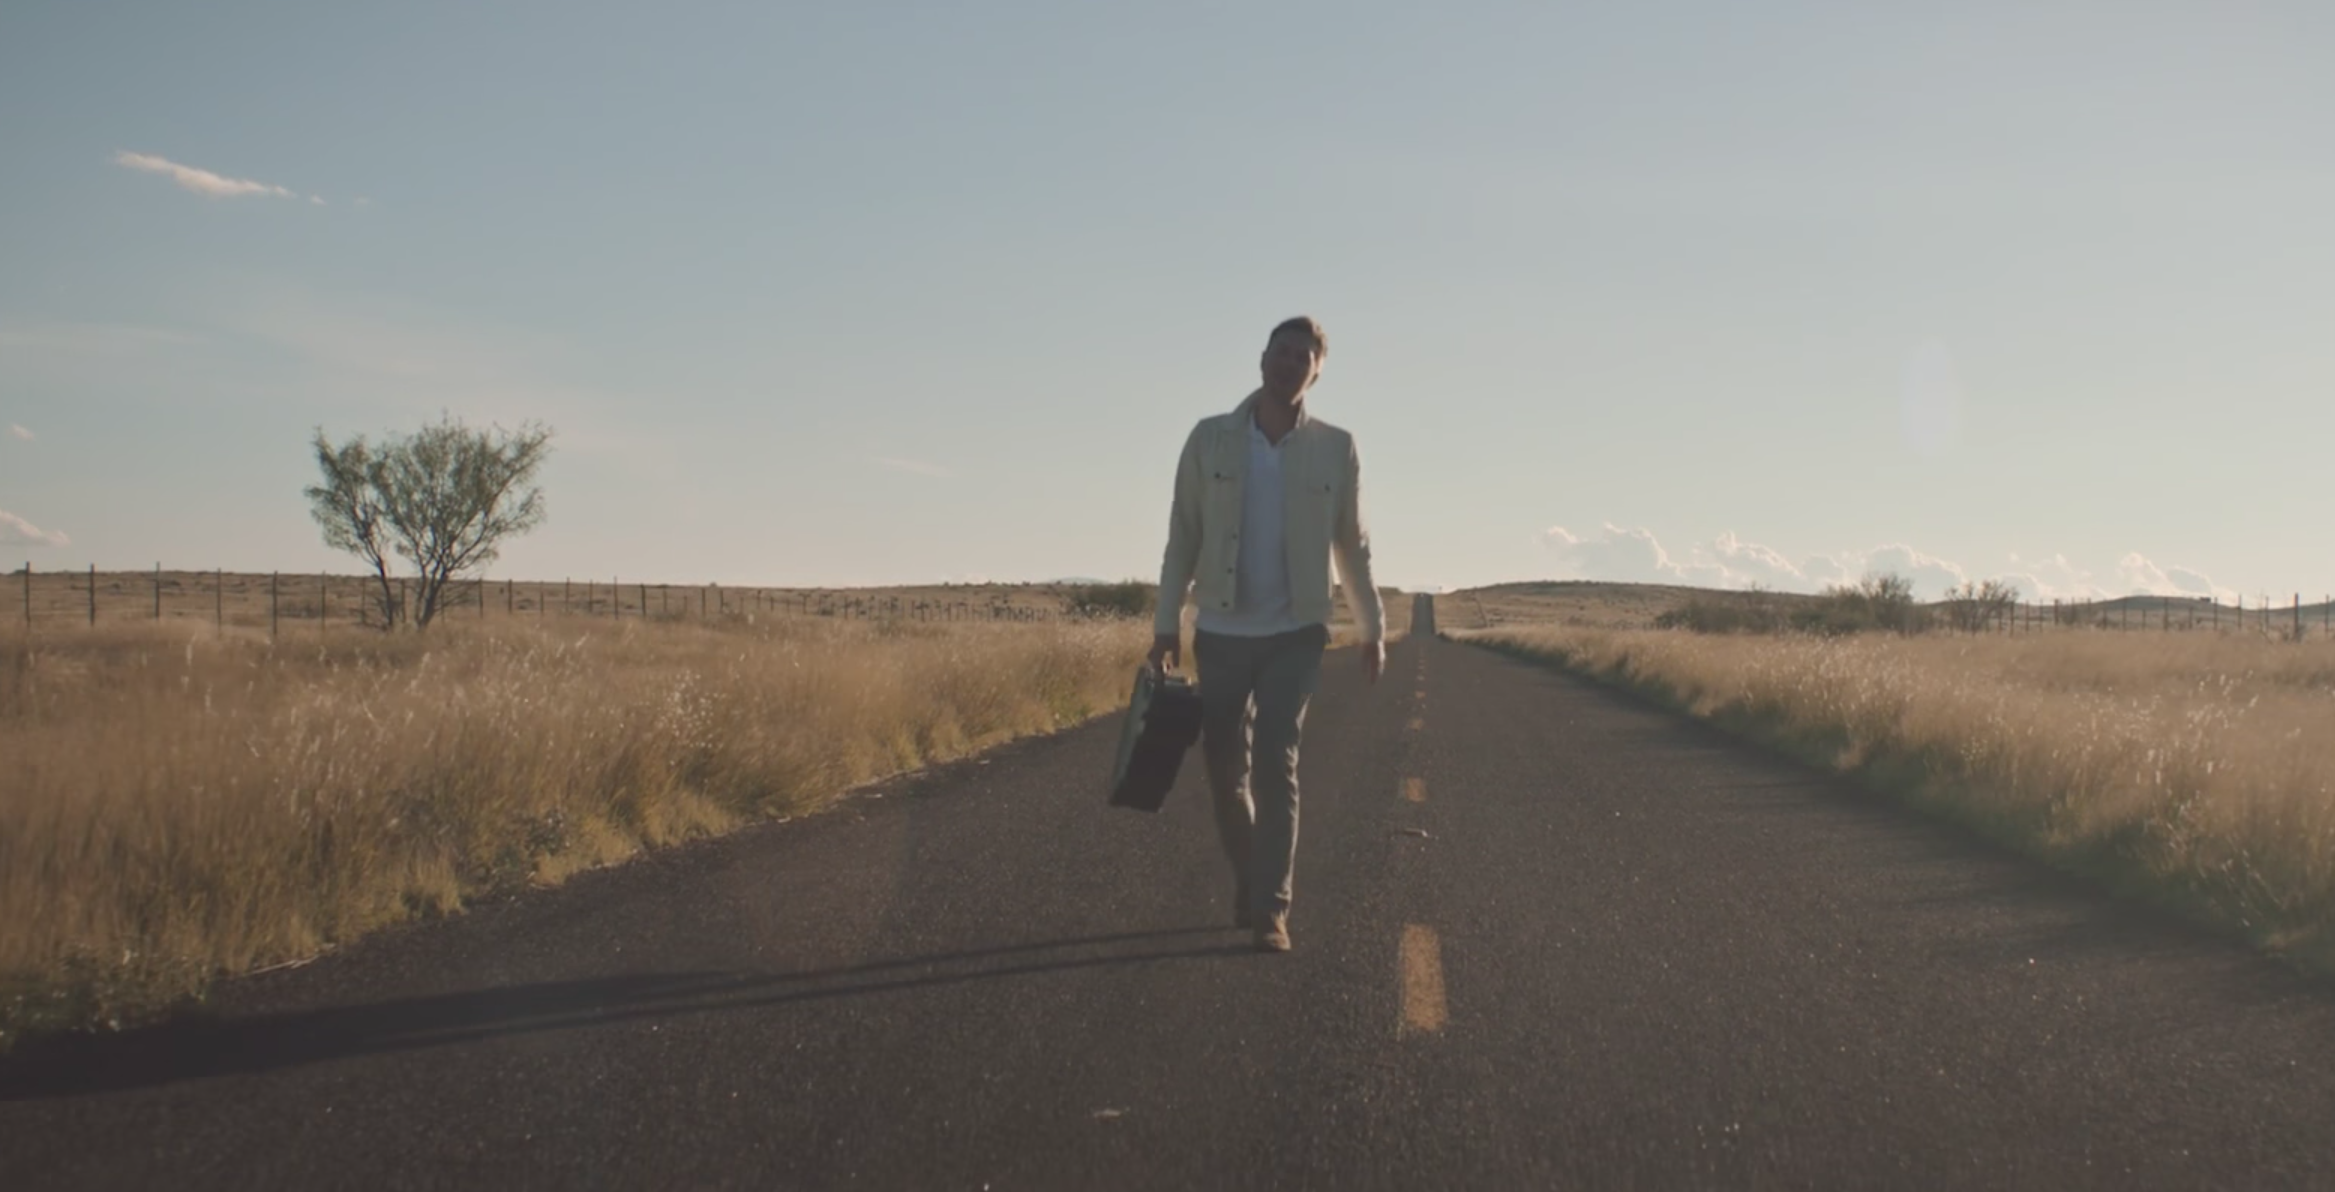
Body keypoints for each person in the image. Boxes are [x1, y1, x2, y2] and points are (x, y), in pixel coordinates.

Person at [1149, 315, 1385, 954]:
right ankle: (1252, 878)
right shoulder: (1210, 439)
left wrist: (1371, 625)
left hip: (1296, 631)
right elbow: (1183, 536)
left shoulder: (1336, 447)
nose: (1289, 364)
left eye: (1303, 356)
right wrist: (1166, 625)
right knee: (1226, 773)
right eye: (1282, 352)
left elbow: (1352, 544)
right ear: (1261, 360)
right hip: (1222, 630)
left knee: (1278, 764)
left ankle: (1271, 909)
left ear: (1317, 372)